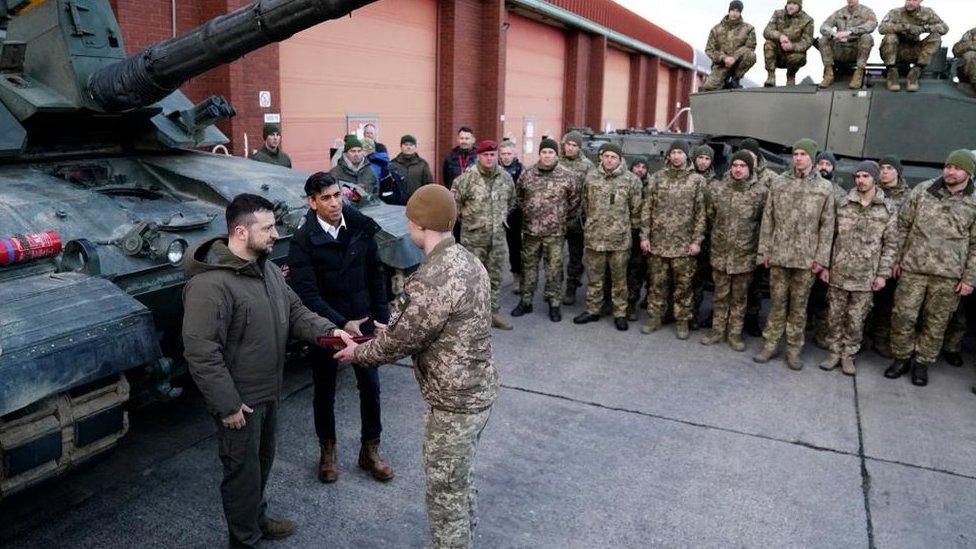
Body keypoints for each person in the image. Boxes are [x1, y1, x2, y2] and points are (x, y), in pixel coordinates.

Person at [333, 184, 499, 549]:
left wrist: (357, 354)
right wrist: (392, 327)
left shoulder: (433, 276)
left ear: (420, 225)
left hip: (453, 403)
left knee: (445, 495)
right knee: (459, 481)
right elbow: (422, 324)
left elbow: (401, 342)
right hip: (476, 392)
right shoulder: (467, 260)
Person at [182, 193, 341, 548]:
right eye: (267, 228)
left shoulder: (266, 270)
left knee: (261, 463)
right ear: (240, 232)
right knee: (241, 473)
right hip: (240, 401)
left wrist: (332, 333)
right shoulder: (210, 285)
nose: (275, 235)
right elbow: (201, 351)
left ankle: (257, 519)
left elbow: (297, 312)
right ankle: (244, 540)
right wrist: (227, 405)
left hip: (269, 391)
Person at [286, 173, 394, 485]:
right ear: (312, 202)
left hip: (364, 325)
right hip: (327, 328)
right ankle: (328, 452)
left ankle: (370, 451)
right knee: (324, 392)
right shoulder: (302, 240)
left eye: (337, 195)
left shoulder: (359, 227)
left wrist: (381, 317)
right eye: (326, 198)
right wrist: (338, 323)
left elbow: (377, 275)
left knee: (371, 389)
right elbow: (306, 293)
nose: (334, 203)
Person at [885, 150, 976, 387]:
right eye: (947, 166)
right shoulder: (923, 190)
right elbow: (903, 225)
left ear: (968, 172)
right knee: (903, 316)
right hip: (914, 268)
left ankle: (922, 363)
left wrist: (969, 278)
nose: (950, 171)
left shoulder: (974, 200)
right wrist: (897, 259)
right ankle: (902, 358)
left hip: (948, 275)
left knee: (936, 323)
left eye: (956, 168)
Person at [754, 138, 835, 370]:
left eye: (803, 154)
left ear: (812, 158)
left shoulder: (824, 188)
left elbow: (827, 226)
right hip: (779, 255)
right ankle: (770, 345)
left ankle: (793, 349)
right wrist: (764, 252)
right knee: (777, 305)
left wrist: (821, 259)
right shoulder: (779, 183)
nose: (798, 158)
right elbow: (768, 219)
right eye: (795, 153)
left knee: (799, 308)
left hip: (806, 260)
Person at [818, 161, 898, 376]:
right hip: (840, 272)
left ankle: (848, 355)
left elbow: (890, 245)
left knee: (856, 319)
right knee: (834, 316)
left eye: (865, 176)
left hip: (865, 276)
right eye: (858, 176)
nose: (860, 180)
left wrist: (883, 274)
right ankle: (834, 352)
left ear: (875, 179)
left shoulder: (886, 209)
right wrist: (825, 265)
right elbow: (829, 237)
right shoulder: (844, 203)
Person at [639, 140, 707, 340]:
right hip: (658, 244)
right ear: (669, 155)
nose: (676, 156)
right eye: (673, 152)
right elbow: (647, 209)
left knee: (683, 287)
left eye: (680, 152)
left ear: (686, 155)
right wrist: (645, 236)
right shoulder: (658, 178)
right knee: (657, 285)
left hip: (683, 246)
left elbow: (700, 214)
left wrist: (697, 241)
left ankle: (682, 320)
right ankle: (654, 317)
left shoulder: (696, 181)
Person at [700, 151, 767, 351]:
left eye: (742, 166)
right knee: (720, 295)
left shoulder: (760, 193)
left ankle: (735, 333)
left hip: (744, 255)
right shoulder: (718, 190)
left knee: (739, 298)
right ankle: (717, 330)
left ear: (750, 169)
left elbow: (764, 223)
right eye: (735, 165)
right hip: (721, 252)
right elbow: (711, 216)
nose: (738, 169)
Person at [573, 143, 642, 331]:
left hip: (619, 241)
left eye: (614, 157)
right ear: (601, 158)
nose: (609, 160)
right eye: (607, 156)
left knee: (619, 280)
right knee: (595, 278)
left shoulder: (631, 180)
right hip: (595, 238)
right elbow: (586, 205)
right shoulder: (591, 178)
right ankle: (592, 310)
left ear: (620, 159)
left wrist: (627, 230)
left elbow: (636, 210)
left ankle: (620, 313)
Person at [511, 138, 580, 322]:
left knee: (554, 269)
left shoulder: (567, 175)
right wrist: (530, 212)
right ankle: (526, 301)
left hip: (555, 233)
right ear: (539, 154)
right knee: (529, 267)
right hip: (531, 231)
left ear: (556, 154)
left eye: (551, 152)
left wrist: (559, 216)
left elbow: (574, 201)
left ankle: (554, 303)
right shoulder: (527, 174)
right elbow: (519, 197)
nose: (547, 155)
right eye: (544, 152)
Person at [452, 140, 516, 330]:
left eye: (492, 155)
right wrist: (470, 220)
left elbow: (511, 201)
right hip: (473, 239)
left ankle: (492, 313)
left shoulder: (505, 178)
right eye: (485, 155)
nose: (489, 158)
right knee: (472, 278)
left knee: (495, 277)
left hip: (497, 238)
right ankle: (471, 318)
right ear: (478, 156)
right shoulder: (465, 179)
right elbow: (453, 206)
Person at [868, 155, 911, 357]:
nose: (884, 171)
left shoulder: (909, 196)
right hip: (868, 253)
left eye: (889, 168)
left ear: (897, 172)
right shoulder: (869, 189)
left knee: (886, 302)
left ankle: (880, 338)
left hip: (892, 255)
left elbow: (908, 229)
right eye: (882, 168)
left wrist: (899, 258)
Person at [560, 131, 596, 306]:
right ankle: (553, 288)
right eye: (568, 144)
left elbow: (591, 192)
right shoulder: (556, 162)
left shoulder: (587, 166)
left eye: (574, 145)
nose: (570, 147)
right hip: (556, 219)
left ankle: (571, 288)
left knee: (575, 256)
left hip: (577, 219)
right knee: (554, 258)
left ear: (579, 148)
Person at [879, 0, 948, 92]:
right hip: (897, 51)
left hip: (915, 51)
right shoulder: (895, 12)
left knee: (936, 37)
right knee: (890, 37)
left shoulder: (927, 13)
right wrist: (905, 27)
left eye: (914, 0)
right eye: (908, 0)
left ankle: (915, 71)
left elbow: (944, 28)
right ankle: (892, 72)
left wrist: (924, 28)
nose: (910, 3)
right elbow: (882, 28)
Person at [818, 0, 878, 89]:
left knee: (867, 37)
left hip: (856, 50)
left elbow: (871, 25)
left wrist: (850, 32)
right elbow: (824, 26)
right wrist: (834, 34)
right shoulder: (839, 13)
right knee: (823, 39)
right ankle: (829, 73)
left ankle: (859, 73)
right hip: (840, 49)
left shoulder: (867, 12)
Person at [702, 1, 757, 92]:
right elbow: (709, 49)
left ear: (740, 13)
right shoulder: (716, 29)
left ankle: (735, 79)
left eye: (737, 11)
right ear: (729, 11)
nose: (734, 13)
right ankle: (724, 81)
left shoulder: (748, 28)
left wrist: (735, 58)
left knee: (751, 56)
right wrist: (724, 58)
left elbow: (750, 46)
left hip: (738, 63)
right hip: (721, 64)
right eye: (732, 10)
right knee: (709, 87)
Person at [762, 0, 815, 87]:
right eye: (789, 3)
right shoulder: (778, 14)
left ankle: (791, 77)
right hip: (778, 53)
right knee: (768, 44)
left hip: (793, 54)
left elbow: (807, 41)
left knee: (799, 57)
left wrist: (792, 46)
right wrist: (780, 36)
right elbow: (767, 31)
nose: (791, 6)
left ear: (799, 6)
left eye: (794, 4)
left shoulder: (807, 20)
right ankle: (771, 77)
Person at [626, 156, 651, 321]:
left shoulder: (652, 185)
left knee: (638, 270)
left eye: (643, 167)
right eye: (637, 166)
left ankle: (631, 304)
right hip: (625, 231)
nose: (640, 169)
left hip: (644, 233)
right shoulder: (624, 182)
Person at [499, 140, 525, 295]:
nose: (506, 157)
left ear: (514, 154)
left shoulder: (522, 171)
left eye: (509, 153)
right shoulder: (494, 169)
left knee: (515, 247)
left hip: (515, 215)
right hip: (496, 213)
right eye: (503, 154)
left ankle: (517, 275)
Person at [391, 134, 436, 199]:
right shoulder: (393, 164)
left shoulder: (422, 164)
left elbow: (429, 186)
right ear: (401, 147)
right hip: (397, 204)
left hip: (417, 202)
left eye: (411, 145)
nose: (408, 147)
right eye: (406, 144)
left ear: (415, 147)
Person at [952, 27, 976, 94]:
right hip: (968, 74)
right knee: (971, 54)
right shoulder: (972, 33)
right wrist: (972, 46)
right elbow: (956, 50)